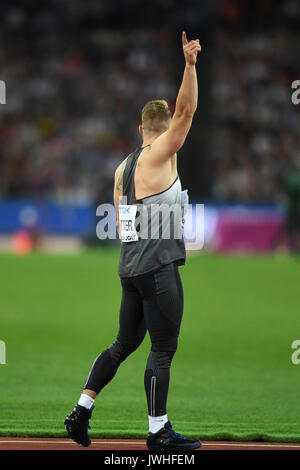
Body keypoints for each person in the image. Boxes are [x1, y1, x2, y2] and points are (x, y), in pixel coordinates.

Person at [65, 31, 202, 450]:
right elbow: (187, 111)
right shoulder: (161, 154)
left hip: (130, 269)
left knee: (124, 343)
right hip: (158, 269)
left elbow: (124, 227)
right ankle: (158, 431)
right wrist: (190, 66)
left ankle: (81, 410)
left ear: (140, 127)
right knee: (162, 349)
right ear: (163, 132)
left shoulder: (122, 168)